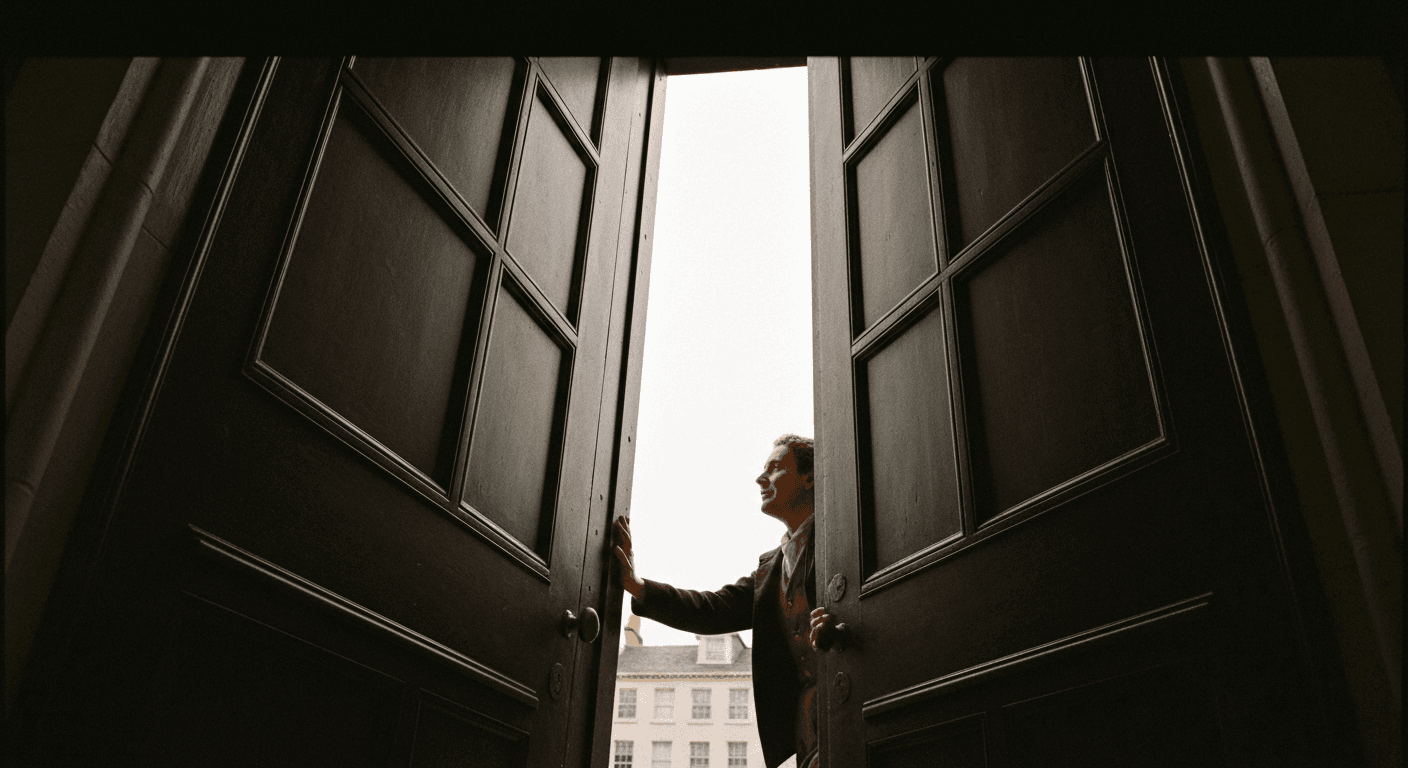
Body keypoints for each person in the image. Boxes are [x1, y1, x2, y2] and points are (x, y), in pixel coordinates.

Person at [613, 434, 839, 768]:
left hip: (848, 713)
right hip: (802, 738)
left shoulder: (841, 539)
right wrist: (636, 585)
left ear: (809, 477)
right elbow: (711, 609)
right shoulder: (771, 568)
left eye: (775, 468)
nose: (761, 478)